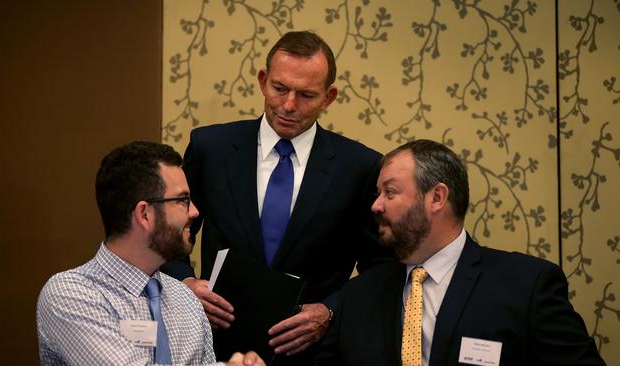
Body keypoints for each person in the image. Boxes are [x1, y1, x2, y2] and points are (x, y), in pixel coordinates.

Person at [160, 31, 390, 364]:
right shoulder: (212, 148)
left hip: (311, 353)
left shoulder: (359, 167)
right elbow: (163, 237)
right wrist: (185, 284)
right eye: (280, 88)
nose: (288, 105)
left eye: (307, 95)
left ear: (329, 97)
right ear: (263, 80)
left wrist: (330, 311)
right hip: (216, 345)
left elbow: (380, 270)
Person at [314, 139, 606, 366]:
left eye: (389, 193)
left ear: (437, 197)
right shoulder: (357, 296)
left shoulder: (526, 287)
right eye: (377, 194)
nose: (376, 206)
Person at [36, 141, 265, 366]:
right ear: (144, 214)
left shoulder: (185, 298)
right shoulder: (71, 295)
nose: (195, 211)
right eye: (183, 200)